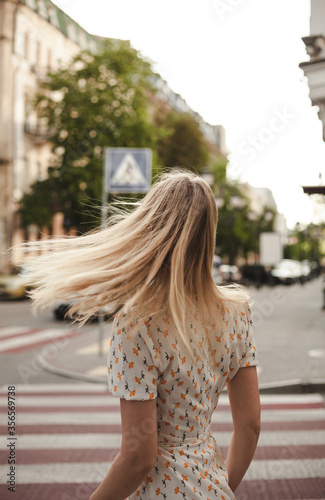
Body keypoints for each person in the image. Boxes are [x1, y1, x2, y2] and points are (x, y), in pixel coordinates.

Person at [23, 170, 260, 499]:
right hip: (213, 484)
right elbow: (250, 425)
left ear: (151, 230)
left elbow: (138, 458)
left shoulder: (138, 324)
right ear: (210, 234)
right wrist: (218, 488)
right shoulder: (237, 313)